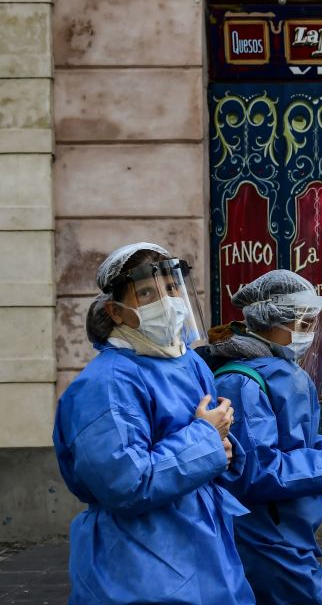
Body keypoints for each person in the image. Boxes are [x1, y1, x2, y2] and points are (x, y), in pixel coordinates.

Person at [53, 242, 254, 604]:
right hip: (140, 562)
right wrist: (208, 437)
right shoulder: (107, 383)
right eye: (146, 292)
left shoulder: (187, 362)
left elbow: (213, 454)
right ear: (116, 312)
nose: (168, 302)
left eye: (172, 288)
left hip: (206, 550)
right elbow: (125, 483)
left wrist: (222, 446)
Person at [198, 269, 322, 605]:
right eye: (303, 325)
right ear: (271, 322)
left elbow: (292, 446)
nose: (308, 335)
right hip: (264, 532)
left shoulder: (269, 371)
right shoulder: (244, 382)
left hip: (281, 527)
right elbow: (261, 471)